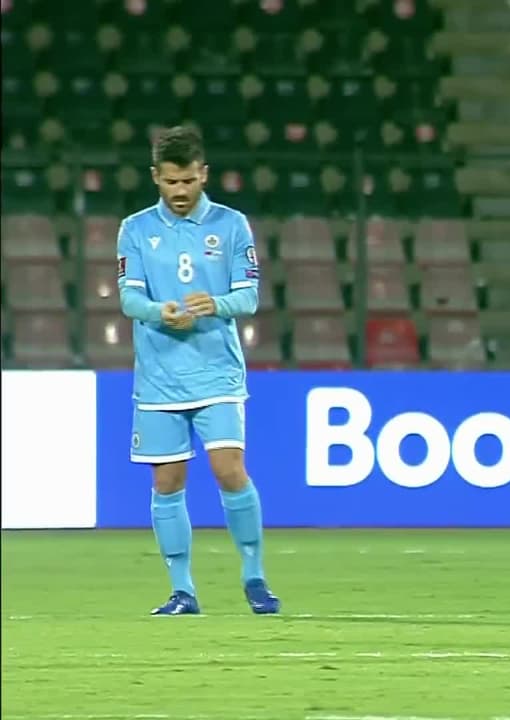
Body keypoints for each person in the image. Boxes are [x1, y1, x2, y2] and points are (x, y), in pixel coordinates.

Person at [116, 125, 280, 616]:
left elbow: (249, 296)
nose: (181, 192)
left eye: (188, 181)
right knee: (167, 483)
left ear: (203, 174)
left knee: (229, 471)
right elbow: (128, 297)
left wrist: (214, 304)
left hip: (217, 372)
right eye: (170, 182)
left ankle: (254, 576)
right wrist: (157, 312)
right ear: (155, 178)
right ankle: (182, 590)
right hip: (160, 377)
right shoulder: (136, 229)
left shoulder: (232, 225)